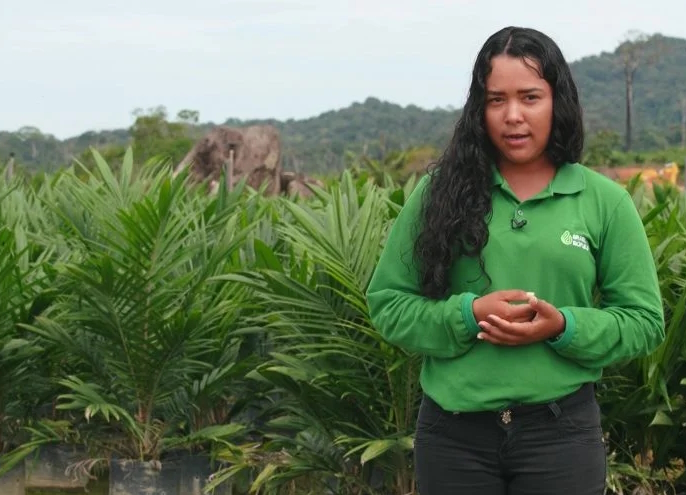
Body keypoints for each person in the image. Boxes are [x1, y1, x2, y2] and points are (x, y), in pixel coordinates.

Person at [365, 26, 665, 495]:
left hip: (560, 434)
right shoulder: (439, 192)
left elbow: (644, 321)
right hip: (453, 437)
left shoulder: (604, 201)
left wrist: (563, 326)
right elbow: (389, 304)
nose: (512, 116)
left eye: (530, 97)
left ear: (557, 101)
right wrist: (468, 315)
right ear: (478, 109)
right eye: (495, 100)